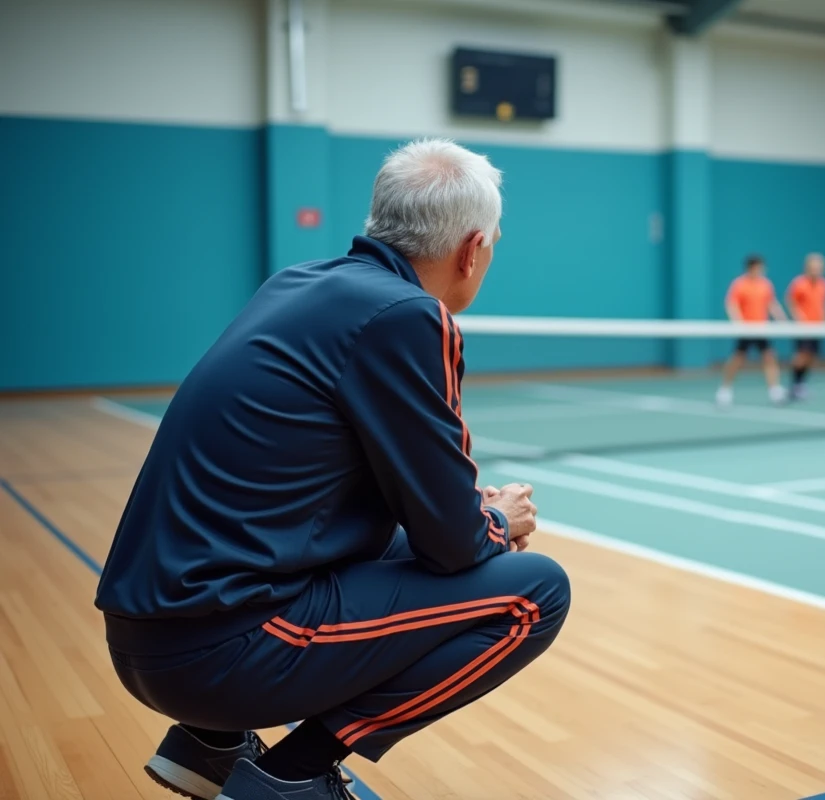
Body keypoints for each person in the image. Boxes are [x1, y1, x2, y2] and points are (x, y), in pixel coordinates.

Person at [94, 139, 571, 800]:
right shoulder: (407, 316)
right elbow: (453, 542)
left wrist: (468, 520)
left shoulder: (297, 283)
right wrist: (492, 519)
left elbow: (362, 495)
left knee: (411, 547)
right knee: (533, 591)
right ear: (471, 248)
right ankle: (294, 777)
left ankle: (208, 744)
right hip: (219, 650)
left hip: (151, 634)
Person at [716, 255, 789, 407]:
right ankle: (725, 390)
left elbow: (772, 304)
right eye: (758, 267)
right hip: (746, 329)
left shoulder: (765, 284)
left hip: (761, 329)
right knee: (738, 359)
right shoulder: (739, 284)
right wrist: (738, 322)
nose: (761, 270)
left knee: (769, 357)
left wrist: (782, 320)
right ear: (751, 268)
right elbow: (731, 304)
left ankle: (774, 390)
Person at [785, 252, 825, 400]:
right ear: (807, 267)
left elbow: (824, 304)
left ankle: (802, 384)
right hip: (803, 328)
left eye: (819, 267)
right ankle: (794, 385)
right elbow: (791, 301)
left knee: (812, 356)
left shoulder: (824, 284)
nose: (816, 270)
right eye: (813, 267)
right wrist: (799, 317)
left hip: (818, 328)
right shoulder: (799, 283)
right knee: (801, 356)